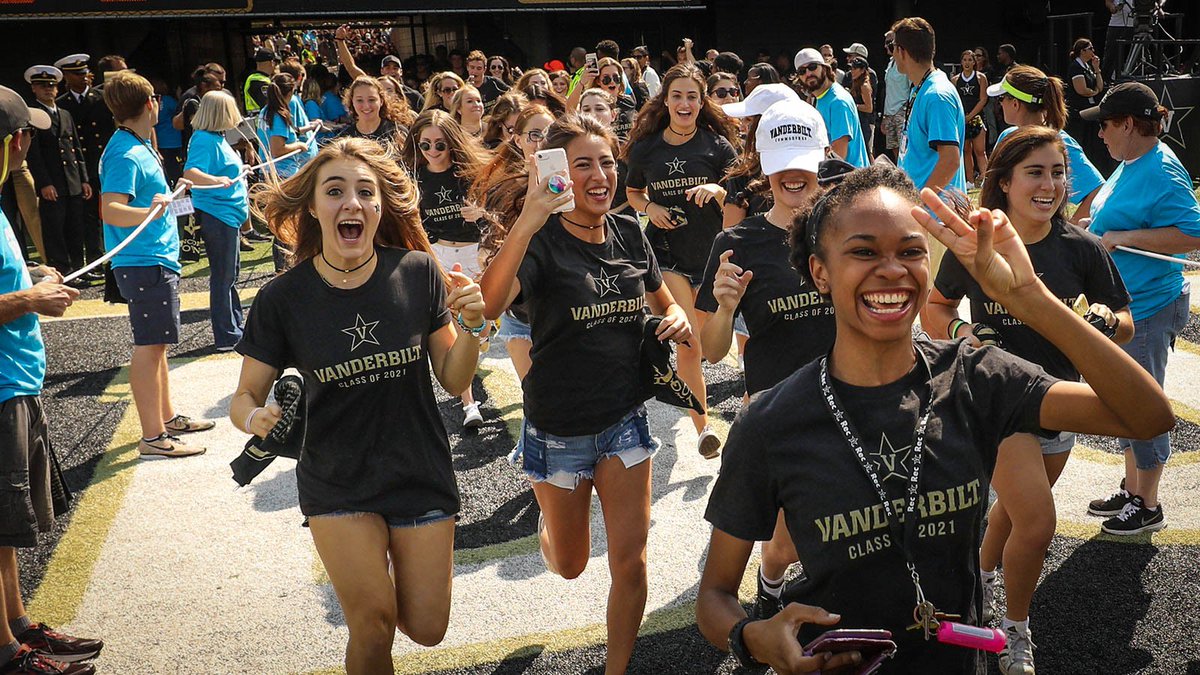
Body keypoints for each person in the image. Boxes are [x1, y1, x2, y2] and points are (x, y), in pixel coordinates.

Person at [695, 161, 1173, 674]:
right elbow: (715, 595)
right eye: (863, 252)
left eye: (910, 251)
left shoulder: (977, 378)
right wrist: (750, 636)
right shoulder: (771, 422)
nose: (893, 269)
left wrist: (1030, 298)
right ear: (820, 272)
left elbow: (1147, 416)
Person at [233, 137, 485, 675]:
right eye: (335, 191)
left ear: (379, 208)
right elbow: (245, 395)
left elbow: (453, 376)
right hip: (337, 479)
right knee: (373, 623)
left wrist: (473, 328)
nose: (351, 203)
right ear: (313, 207)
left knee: (427, 628)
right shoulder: (283, 297)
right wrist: (254, 419)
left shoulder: (417, 271)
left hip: (419, 468)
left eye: (364, 192)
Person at [479, 113, 692, 675]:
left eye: (606, 163)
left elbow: (662, 299)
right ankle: (550, 530)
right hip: (558, 430)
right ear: (558, 175)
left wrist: (672, 319)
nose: (599, 175)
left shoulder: (629, 233)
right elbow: (492, 303)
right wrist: (527, 218)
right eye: (582, 165)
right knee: (571, 564)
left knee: (631, 559)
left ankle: (616, 668)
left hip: (625, 420)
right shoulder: (540, 243)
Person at [925, 127, 1133, 674]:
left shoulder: (1082, 248)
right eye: (1035, 173)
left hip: (1060, 401)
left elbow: (1126, 322)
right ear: (1004, 182)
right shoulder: (977, 240)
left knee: (1015, 517)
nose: (1050, 185)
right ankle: (1014, 631)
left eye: (1058, 172)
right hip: (994, 403)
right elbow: (936, 308)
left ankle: (980, 580)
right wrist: (962, 334)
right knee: (1037, 523)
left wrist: (1107, 321)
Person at [698, 97, 836, 622]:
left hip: (852, 394)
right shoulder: (738, 243)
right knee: (787, 540)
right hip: (779, 408)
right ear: (763, 166)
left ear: (820, 157)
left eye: (803, 162)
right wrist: (726, 306)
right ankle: (772, 580)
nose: (794, 176)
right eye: (781, 166)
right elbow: (711, 351)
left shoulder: (845, 228)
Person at [0, 84, 107, 675]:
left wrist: (31, 274)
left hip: (14, 378)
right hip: (0, 386)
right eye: (24, 133)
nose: (27, 142)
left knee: (6, 526)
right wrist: (30, 297)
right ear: (13, 139)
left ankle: (16, 625)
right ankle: (8, 653)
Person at [1082, 82, 1200, 535]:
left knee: (1142, 402)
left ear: (1129, 124)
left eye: (1108, 125)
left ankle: (1147, 502)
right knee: (1124, 400)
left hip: (1149, 307)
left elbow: (1193, 234)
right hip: (1131, 307)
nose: (1101, 135)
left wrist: (1125, 238)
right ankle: (1133, 489)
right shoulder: (1134, 161)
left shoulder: (1161, 169)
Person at [623, 63, 739, 459]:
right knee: (689, 342)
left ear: (701, 101)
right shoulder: (646, 148)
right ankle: (704, 427)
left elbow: (740, 194)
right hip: (666, 254)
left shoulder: (717, 146)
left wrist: (717, 189)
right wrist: (650, 206)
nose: (685, 103)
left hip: (709, 256)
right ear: (666, 100)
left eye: (692, 96)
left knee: (703, 347)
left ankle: (686, 395)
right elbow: (634, 191)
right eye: (677, 95)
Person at [99, 70, 215, 457]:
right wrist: (151, 209)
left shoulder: (135, 143)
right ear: (151, 103)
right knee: (150, 346)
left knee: (158, 344)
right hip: (143, 260)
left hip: (154, 257)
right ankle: (153, 436)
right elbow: (111, 210)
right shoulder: (124, 151)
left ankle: (165, 419)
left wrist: (173, 197)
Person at [400, 110, 490, 428]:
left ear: (452, 143)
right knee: (456, 327)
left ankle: (478, 346)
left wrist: (480, 211)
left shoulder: (472, 171)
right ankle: (469, 406)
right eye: (425, 145)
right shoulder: (412, 175)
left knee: (482, 326)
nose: (433, 152)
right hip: (436, 255)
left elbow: (498, 212)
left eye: (440, 144)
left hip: (474, 252)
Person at [473, 103, 555, 381]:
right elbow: (494, 246)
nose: (542, 141)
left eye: (549, 133)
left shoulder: (572, 186)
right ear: (517, 140)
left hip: (564, 312)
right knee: (536, 399)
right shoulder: (503, 188)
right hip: (521, 315)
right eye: (534, 134)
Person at [891, 16, 965, 309]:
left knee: (934, 307)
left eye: (893, 48)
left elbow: (950, 160)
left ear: (902, 52)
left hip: (935, 219)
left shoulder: (936, 94)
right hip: (927, 216)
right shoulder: (923, 88)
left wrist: (921, 206)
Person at [988, 65, 1105, 223]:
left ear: (1015, 103)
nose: (1000, 104)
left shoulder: (1059, 143)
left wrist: (1069, 232)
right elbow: (990, 189)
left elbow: (1098, 191)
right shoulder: (1006, 137)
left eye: (1001, 98)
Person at [183, 91, 251, 351]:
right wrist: (216, 181)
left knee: (229, 276)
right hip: (217, 214)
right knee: (223, 277)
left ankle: (234, 326)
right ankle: (226, 334)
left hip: (227, 214)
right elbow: (191, 172)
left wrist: (239, 170)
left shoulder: (215, 137)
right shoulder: (203, 139)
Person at [24, 66, 93, 286]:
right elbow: (34, 154)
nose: (48, 90)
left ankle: (79, 268)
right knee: (56, 230)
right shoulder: (32, 114)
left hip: (71, 180)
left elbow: (76, 148)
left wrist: (83, 179)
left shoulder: (64, 113)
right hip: (52, 182)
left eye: (51, 86)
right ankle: (64, 271)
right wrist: (44, 183)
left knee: (76, 227)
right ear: (34, 89)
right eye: (42, 86)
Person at [54, 54, 108, 273]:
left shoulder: (103, 98)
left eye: (85, 72)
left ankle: (106, 255)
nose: (83, 77)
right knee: (88, 215)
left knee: (108, 210)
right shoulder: (62, 104)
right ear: (66, 77)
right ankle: (94, 257)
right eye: (77, 74)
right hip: (82, 166)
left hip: (104, 161)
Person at [795, 48, 869, 168]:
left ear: (824, 68)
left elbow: (838, 155)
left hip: (849, 179)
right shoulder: (822, 97)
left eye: (813, 67)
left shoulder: (838, 102)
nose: (808, 74)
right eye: (802, 71)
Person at [1064, 38, 1111, 175]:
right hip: (1079, 112)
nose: (1093, 51)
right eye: (1090, 48)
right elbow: (1082, 90)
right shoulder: (1075, 67)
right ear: (1082, 51)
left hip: (1090, 110)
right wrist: (1094, 91)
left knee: (1094, 144)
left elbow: (1100, 86)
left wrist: (1096, 69)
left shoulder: (1088, 67)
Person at [570, 58, 637, 142]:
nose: (612, 82)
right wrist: (581, 82)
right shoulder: (591, 102)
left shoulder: (628, 101)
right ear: (598, 81)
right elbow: (570, 111)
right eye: (607, 79)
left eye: (616, 78)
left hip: (626, 152)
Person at [336, 76, 408, 153]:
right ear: (352, 102)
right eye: (359, 100)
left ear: (381, 101)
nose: (366, 106)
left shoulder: (397, 132)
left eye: (371, 100)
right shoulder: (343, 139)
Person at [952, 50, 989, 187]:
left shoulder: (980, 78)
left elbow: (983, 99)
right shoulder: (955, 80)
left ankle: (985, 178)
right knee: (966, 150)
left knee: (980, 150)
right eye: (965, 60)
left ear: (974, 62)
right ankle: (969, 181)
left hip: (977, 118)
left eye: (970, 60)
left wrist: (971, 115)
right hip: (962, 119)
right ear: (961, 62)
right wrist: (962, 117)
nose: (967, 63)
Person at [880, 32, 911, 162]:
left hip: (901, 111)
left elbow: (912, 87)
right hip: (889, 113)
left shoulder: (905, 62)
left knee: (905, 149)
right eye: (886, 42)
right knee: (894, 148)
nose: (887, 45)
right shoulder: (890, 63)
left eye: (890, 42)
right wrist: (885, 117)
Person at [847, 57, 876, 162]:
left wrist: (854, 105)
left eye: (855, 68)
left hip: (865, 123)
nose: (852, 71)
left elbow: (869, 108)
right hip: (858, 121)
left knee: (867, 152)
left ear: (863, 70)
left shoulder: (864, 86)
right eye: (851, 68)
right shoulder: (856, 83)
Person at [1103, 0, 1135, 79]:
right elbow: (1108, 2)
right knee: (1111, 53)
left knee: (1136, 52)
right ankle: (1107, 79)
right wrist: (1113, 7)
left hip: (1136, 24)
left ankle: (1133, 75)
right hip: (1116, 24)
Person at [243, 49, 278, 114]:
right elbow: (268, 106)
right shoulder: (260, 82)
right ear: (271, 62)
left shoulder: (253, 78)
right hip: (262, 121)